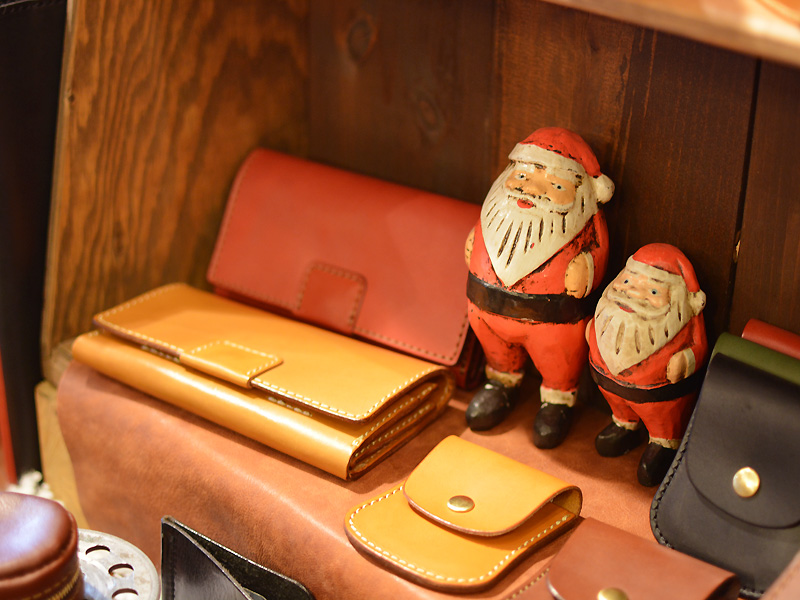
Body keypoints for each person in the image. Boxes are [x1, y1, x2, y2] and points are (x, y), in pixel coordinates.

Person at [465, 127, 613, 448]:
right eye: (523, 176)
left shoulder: (584, 221)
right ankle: (501, 381)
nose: (531, 189)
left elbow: (599, 249)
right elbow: (485, 227)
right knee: (496, 350)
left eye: (556, 185)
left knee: (557, 359)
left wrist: (588, 267)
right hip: (488, 308)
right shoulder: (497, 210)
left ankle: (558, 399)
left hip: (552, 321)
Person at [587, 243, 708, 486]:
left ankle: (663, 443)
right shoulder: (609, 311)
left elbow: (700, 345)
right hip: (612, 386)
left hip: (660, 396)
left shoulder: (682, 320)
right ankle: (624, 424)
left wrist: (686, 360)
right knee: (620, 406)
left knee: (662, 420)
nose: (633, 293)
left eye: (653, 291)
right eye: (627, 282)